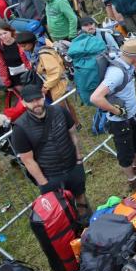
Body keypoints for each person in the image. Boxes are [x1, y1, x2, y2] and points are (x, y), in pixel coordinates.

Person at [11, 84, 89, 219]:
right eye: (31, 101)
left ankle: (88, 224)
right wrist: (44, 183)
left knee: (81, 198)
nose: (36, 104)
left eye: (38, 99)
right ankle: (73, 233)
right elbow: (28, 160)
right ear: (23, 103)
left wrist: (78, 158)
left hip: (73, 166)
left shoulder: (59, 110)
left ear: (43, 96)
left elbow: (73, 134)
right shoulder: (20, 129)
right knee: (61, 210)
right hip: (50, 176)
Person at [89, 37, 136, 190]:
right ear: (134, 56)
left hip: (133, 113)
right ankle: (133, 181)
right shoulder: (116, 74)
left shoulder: (129, 63)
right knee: (125, 153)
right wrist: (116, 111)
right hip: (120, 121)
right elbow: (95, 97)